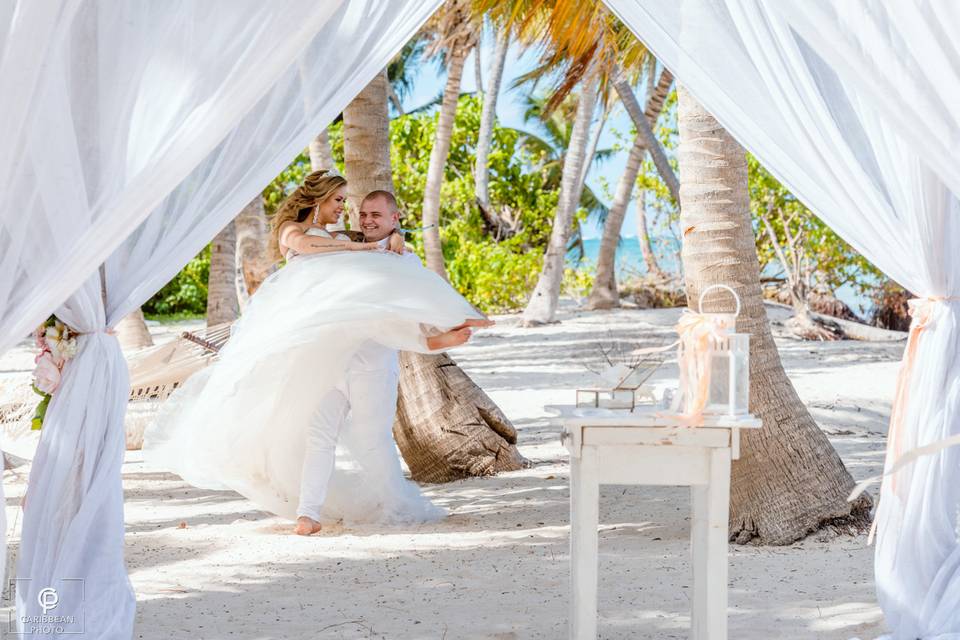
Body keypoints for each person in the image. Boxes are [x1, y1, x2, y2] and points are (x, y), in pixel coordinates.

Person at [143, 171, 491, 530]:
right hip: (328, 359)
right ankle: (309, 513)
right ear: (319, 199)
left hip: (364, 354)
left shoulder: (345, 239)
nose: (346, 209)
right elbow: (309, 247)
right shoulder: (295, 231)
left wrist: (391, 238)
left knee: (367, 438)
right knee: (321, 437)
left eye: (348, 203)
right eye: (340, 200)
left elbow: (384, 273)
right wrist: (367, 246)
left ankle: (372, 507)